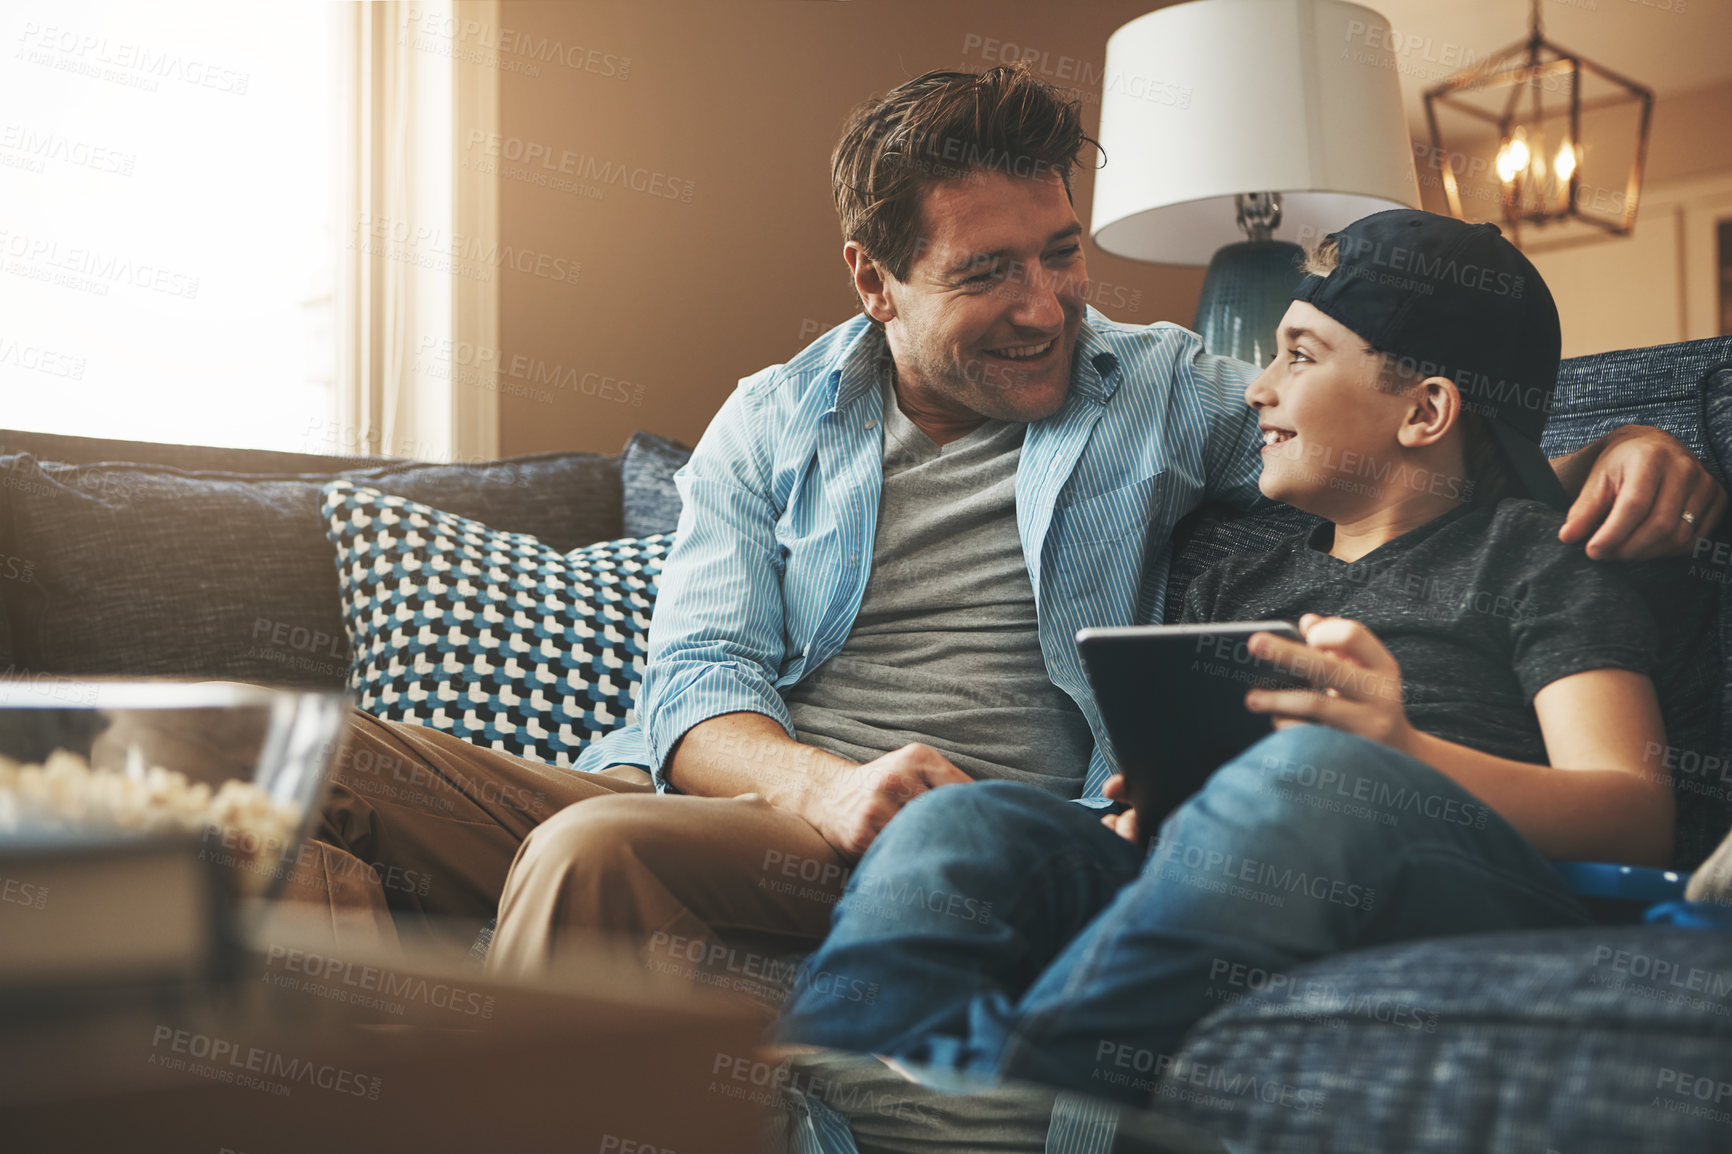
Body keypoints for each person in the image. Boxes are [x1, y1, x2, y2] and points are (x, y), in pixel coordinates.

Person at [302, 66, 1722, 991]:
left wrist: (1637, 439)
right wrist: (814, 781)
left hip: (959, 823)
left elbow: (1401, 445)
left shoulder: (1161, 386)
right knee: (307, 766)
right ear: (876, 277)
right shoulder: (769, 420)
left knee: (597, 853)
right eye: (990, 272)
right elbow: (694, 682)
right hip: (765, 795)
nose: (1048, 304)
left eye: (1062, 253)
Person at [777, 207, 1724, 1100]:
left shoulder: (1533, 559)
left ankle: (1026, 1099)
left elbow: (1633, 812)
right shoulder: (1243, 574)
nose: (1258, 386)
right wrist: (1160, 800)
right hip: (1235, 877)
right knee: (966, 825)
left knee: (1314, 773)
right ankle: (836, 1095)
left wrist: (1401, 753)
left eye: (1299, 356)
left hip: (1467, 881)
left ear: (1426, 411)